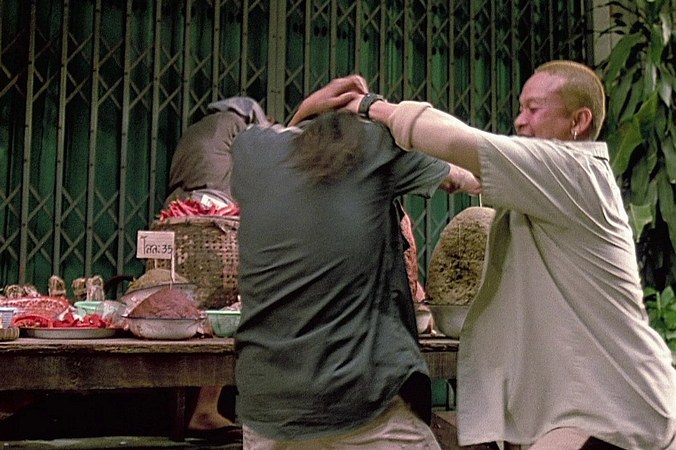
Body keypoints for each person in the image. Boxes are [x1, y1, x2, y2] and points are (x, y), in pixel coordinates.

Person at [324, 61, 676, 449]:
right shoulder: (557, 181)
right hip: (600, 406)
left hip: (618, 407)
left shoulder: (574, 170)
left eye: (534, 109)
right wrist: (459, 176)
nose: (520, 120)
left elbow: (457, 141)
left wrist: (372, 107)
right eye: (520, 108)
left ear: (579, 121)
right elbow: (475, 172)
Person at [231, 76, 481, 449]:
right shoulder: (375, 146)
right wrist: (379, 110)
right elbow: (467, 174)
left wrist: (309, 107)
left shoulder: (254, 150)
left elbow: (290, 141)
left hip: (267, 405)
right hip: (359, 401)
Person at [163, 96, 273, 441]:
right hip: (216, 222)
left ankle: (183, 409)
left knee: (184, 309)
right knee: (227, 309)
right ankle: (205, 409)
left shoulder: (201, 127)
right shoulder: (239, 127)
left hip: (178, 218)